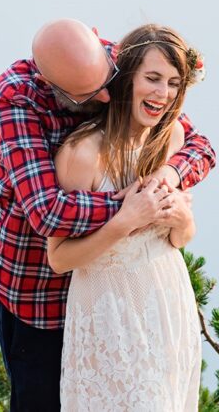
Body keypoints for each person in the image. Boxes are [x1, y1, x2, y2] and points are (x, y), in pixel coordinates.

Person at [0, 19, 216, 412]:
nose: (108, 97)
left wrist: (167, 178)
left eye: (111, 81)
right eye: (91, 94)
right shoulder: (17, 99)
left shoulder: (118, 64)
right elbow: (49, 213)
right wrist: (132, 210)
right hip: (39, 292)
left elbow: (197, 144)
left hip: (142, 305)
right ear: (55, 86)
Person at [46, 23, 205, 411]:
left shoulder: (171, 143)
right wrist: (124, 221)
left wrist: (181, 218)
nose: (162, 94)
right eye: (152, 78)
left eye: (172, 83)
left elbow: (180, 238)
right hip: (110, 318)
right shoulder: (82, 153)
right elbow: (59, 259)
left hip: (168, 307)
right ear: (127, 79)